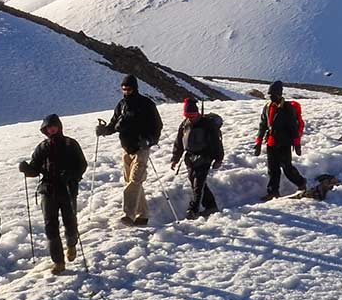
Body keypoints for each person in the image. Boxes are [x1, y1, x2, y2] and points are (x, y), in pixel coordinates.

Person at [20, 113, 87, 272]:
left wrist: (71, 175)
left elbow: (82, 165)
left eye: (54, 126)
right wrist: (27, 170)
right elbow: (35, 169)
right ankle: (58, 262)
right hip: (48, 190)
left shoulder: (71, 144)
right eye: (48, 127)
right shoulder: (43, 147)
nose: (51, 129)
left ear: (59, 126)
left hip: (68, 189)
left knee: (70, 221)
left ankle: (71, 244)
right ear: (45, 129)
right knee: (50, 226)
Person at [97, 75, 162, 225]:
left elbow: (157, 126)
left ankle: (129, 215)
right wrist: (103, 130)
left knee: (134, 181)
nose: (126, 91)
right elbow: (114, 125)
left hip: (141, 148)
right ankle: (143, 215)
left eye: (129, 88)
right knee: (132, 182)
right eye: (124, 88)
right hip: (126, 149)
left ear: (135, 88)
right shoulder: (121, 105)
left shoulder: (146, 104)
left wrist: (149, 140)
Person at [171, 98, 225, 219]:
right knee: (194, 181)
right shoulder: (185, 124)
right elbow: (179, 143)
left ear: (197, 113)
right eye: (188, 116)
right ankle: (211, 206)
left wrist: (218, 159)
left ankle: (193, 210)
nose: (190, 118)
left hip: (205, 156)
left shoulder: (207, 125)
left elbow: (216, 143)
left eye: (193, 115)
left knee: (198, 184)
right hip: (190, 157)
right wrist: (175, 158)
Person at [253, 81, 306, 199]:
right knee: (272, 169)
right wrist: (258, 142)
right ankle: (273, 192)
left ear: (279, 94)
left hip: (284, 143)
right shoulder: (267, 107)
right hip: (271, 142)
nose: (271, 96)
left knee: (287, 167)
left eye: (273, 94)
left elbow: (293, 127)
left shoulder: (288, 108)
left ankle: (301, 182)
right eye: (269, 94)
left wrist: (297, 144)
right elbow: (263, 125)